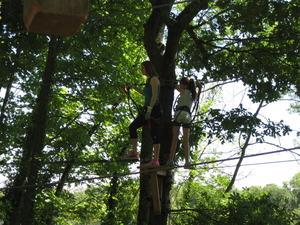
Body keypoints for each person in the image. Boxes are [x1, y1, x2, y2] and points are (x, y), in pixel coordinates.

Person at [123, 61, 162, 166]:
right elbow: (146, 93)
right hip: (148, 109)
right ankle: (134, 152)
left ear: (148, 68)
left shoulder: (154, 79)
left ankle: (156, 160)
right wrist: (134, 87)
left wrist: (150, 109)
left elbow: (154, 95)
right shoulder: (149, 80)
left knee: (154, 134)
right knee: (132, 127)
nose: (141, 70)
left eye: (143, 68)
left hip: (154, 109)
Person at [166, 77, 202, 169]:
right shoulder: (193, 94)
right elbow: (197, 95)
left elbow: (176, 86)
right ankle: (187, 162)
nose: (180, 85)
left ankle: (170, 160)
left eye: (182, 83)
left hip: (179, 113)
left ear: (185, 85)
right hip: (187, 115)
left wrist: (174, 84)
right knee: (186, 140)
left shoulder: (183, 90)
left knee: (174, 138)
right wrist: (199, 87)